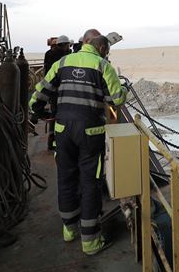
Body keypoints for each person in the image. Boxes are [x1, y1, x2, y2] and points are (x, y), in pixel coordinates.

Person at [29, 29, 127, 255]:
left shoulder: (63, 61)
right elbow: (116, 99)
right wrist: (123, 90)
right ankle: (91, 241)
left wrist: (36, 109)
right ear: (102, 48)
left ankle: (69, 230)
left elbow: (41, 91)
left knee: (66, 178)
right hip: (90, 133)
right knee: (90, 183)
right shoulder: (103, 66)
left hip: (63, 130)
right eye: (107, 51)